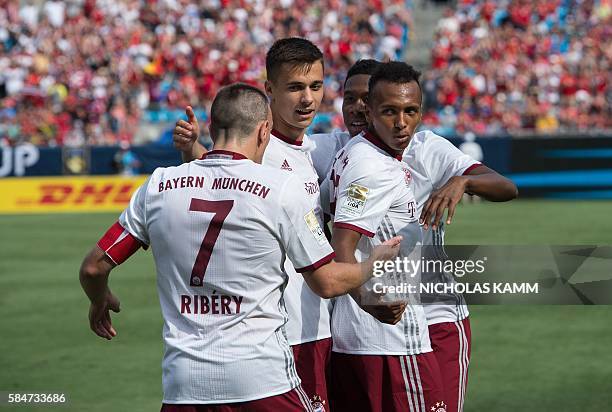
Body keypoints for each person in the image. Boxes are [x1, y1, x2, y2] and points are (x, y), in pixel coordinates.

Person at [79, 83, 401, 411]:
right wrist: (374, 263)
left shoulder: (159, 185)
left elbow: (93, 268)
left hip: (185, 385)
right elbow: (328, 282)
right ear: (264, 130)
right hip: (262, 380)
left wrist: (98, 298)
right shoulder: (279, 189)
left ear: (212, 126)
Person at [313, 60, 517, 412]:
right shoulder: (337, 151)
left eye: (366, 98)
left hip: (434, 311)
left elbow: (506, 187)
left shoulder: (426, 149)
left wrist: (463, 180)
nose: (358, 107)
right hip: (379, 320)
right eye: (351, 98)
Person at [173, 38, 334, 409]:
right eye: (294, 87)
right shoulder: (257, 154)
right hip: (280, 334)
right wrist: (192, 151)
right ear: (269, 91)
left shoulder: (314, 150)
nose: (307, 98)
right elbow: (216, 176)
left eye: (315, 86)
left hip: (317, 326)